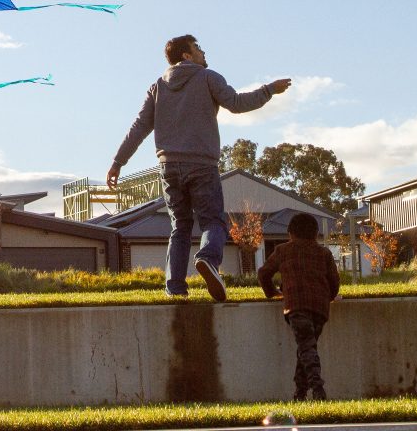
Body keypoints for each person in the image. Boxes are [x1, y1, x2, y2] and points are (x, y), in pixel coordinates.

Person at [109, 34, 290, 300]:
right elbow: (237, 104)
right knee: (212, 221)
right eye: (198, 48)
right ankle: (207, 258)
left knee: (179, 227)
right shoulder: (208, 77)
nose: (204, 52)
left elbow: (139, 128)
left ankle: (175, 288)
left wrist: (117, 162)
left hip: (168, 166)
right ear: (186, 55)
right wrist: (269, 90)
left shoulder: (157, 87)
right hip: (201, 164)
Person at [257, 211, 340, 401]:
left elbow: (263, 274)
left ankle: (317, 388)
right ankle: (300, 393)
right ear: (315, 233)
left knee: (306, 347)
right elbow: (334, 282)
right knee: (306, 347)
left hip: (296, 305)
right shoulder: (324, 253)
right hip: (319, 308)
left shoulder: (283, 250)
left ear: (290, 233)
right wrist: (331, 296)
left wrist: (272, 293)